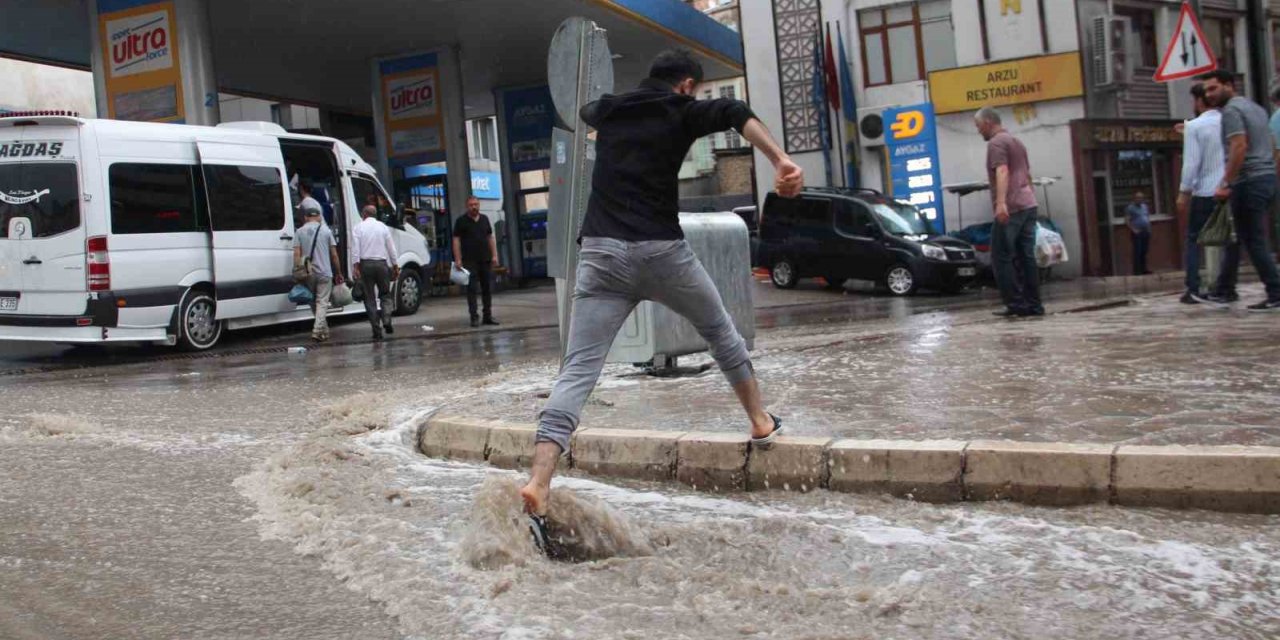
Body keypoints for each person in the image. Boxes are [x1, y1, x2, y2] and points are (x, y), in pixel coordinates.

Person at [518, 48, 804, 529]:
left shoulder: (610, 110)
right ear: (688, 85)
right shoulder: (682, 110)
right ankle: (759, 421)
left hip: (602, 256)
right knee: (719, 330)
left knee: (578, 371)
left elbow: (586, 111)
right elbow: (737, 113)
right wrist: (780, 160)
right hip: (662, 252)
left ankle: (539, 482)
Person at [1194, 70, 1280, 310]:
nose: (1209, 94)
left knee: (1253, 239)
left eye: (1213, 88)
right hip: (1265, 178)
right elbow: (1272, 145)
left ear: (1230, 85)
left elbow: (1238, 146)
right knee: (1238, 237)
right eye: (1206, 91)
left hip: (1248, 180)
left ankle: (1275, 291)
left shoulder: (1232, 111)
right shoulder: (1257, 109)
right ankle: (1224, 289)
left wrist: (1226, 182)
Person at [975, 106, 1043, 317]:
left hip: (1012, 207)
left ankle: (1015, 305)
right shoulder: (1016, 141)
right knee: (1026, 256)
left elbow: (1002, 171)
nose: (979, 131)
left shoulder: (996, 143)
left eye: (978, 126)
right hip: (1028, 204)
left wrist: (1001, 203)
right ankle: (1034, 305)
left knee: (1000, 256)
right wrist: (1030, 197)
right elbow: (1027, 174)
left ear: (988, 122)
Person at [1176, 83, 1224, 304]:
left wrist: (1184, 191)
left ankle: (1193, 287)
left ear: (1198, 101)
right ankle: (1223, 286)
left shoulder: (1196, 127)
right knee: (1226, 239)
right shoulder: (1226, 121)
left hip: (1204, 191)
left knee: (1194, 239)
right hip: (1227, 189)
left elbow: (1191, 163)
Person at [293, 204, 343, 342]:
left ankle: (324, 332)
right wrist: (338, 272)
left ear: (305, 217)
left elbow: (296, 254)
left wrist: (297, 271)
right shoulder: (326, 231)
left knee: (314, 303)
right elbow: (334, 255)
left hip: (308, 272)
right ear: (319, 217)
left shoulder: (300, 231)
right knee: (322, 302)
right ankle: (317, 330)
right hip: (325, 272)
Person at [352, 204, 400, 340]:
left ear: (364, 215)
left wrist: (355, 266)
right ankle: (386, 320)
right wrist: (395, 265)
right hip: (382, 264)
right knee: (385, 294)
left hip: (365, 265)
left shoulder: (358, 227)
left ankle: (376, 331)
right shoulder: (383, 227)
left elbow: (355, 249)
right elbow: (391, 248)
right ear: (374, 214)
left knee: (369, 299)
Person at [452, 195, 500, 327]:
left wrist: (494, 255)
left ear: (479, 205)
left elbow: (490, 237)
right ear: (467, 206)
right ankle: (474, 317)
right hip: (469, 261)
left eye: (476, 204)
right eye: (471, 205)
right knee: (471, 289)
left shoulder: (484, 219)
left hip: (485, 259)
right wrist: (458, 259)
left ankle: (487, 316)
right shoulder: (461, 221)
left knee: (487, 288)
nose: (474, 207)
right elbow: (456, 240)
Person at [1125, 191, 1152, 275]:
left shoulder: (1144, 207)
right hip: (1137, 232)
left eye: (1141, 198)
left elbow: (1147, 217)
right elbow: (1127, 220)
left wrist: (1149, 229)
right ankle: (1137, 271)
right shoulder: (1130, 208)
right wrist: (1133, 229)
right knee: (1137, 251)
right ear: (1134, 199)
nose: (1140, 200)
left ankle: (1144, 269)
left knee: (1144, 251)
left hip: (1145, 231)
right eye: (1138, 198)